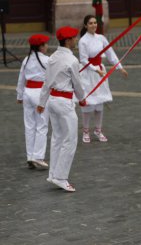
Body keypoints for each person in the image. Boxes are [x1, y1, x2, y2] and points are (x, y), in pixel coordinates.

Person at [37, 26, 87, 192]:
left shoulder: (52, 57)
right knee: (70, 140)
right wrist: (82, 98)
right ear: (67, 41)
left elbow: (47, 82)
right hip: (64, 103)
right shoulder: (72, 61)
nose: (76, 40)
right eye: (74, 38)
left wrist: (42, 102)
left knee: (57, 138)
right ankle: (60, 177)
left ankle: (53, 174)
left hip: (52, 101)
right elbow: (78, 84)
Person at [78, 15, 128, 143]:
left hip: (100, 71)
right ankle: (86, 130)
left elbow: (111, 53)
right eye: (90, 23)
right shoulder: (83, 41)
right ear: (85, 25)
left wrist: (119, 67)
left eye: (95, 23)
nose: (94, 25)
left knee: (99, 103)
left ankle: (98, 130)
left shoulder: (101, 38)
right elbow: (83, 60)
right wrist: (96, 70)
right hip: (88, 73)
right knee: (88, 102)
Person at [16, 34, 50, 169]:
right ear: (40, 46)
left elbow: (21, 78)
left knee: (29, 126)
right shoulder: (47, 60)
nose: (47, 46)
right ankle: (38, 156)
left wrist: (19, 96)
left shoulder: (26, 59)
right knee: (42, 125)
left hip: (27, 94)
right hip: (40, 94)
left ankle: (30, 155)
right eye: (45, 44)